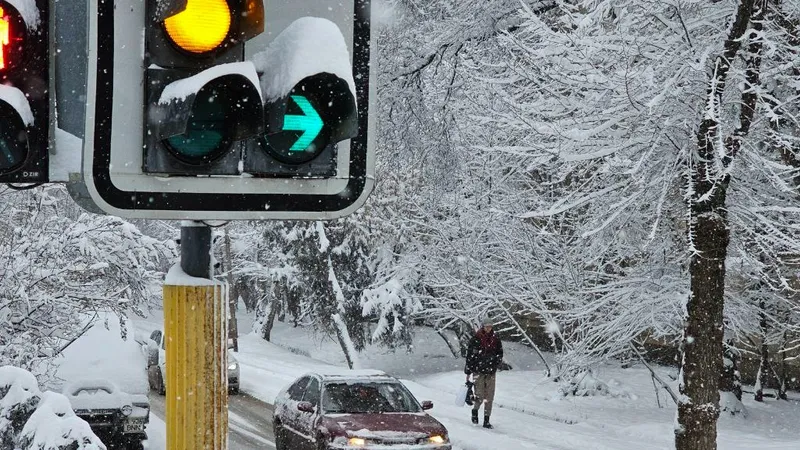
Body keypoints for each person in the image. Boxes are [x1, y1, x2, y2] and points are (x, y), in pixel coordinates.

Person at [464, 317, 503, 429]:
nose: (489, 328)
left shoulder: (496, 339)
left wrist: (495, 362)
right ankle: (475, 410)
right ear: (483, 326)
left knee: (489, 396)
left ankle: (486, 420)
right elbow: (470, 356)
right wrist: (468, 370)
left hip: (491, 371)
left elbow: (500, 353)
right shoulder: (476, 338)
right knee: (479, 395)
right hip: (478, 371)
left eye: (490, 326)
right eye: (487, 326)